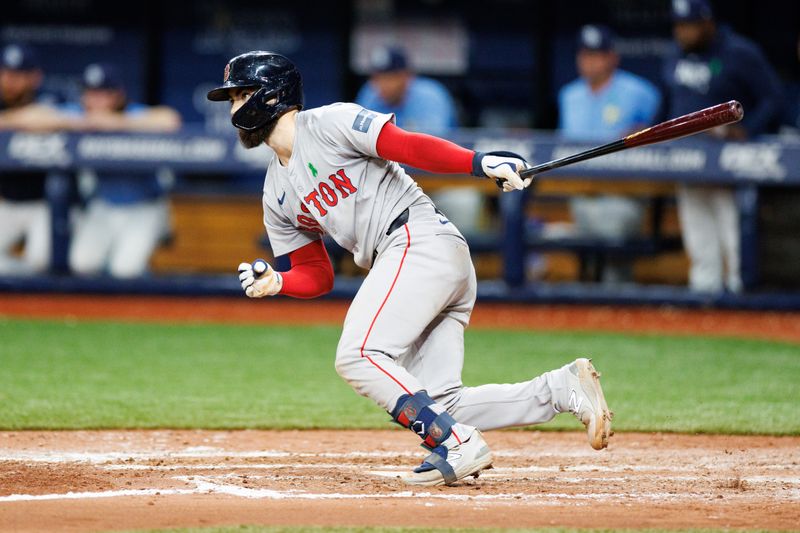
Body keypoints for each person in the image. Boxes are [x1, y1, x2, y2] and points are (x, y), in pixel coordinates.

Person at [207, 51, 612, 486]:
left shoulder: (329, 123)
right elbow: (316, 273)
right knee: (439, 403)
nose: (233, 108)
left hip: (418, 240)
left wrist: (479, 163)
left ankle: (456, 443)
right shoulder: (276, 191)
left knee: (358, 355)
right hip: (413, 259)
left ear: (270, 96)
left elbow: (408, 145)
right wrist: (279, 281)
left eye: (240, 95)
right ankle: (561, 388)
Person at [663, 0, 783, 293]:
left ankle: (740, 297)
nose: (682, 33)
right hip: (688, 157)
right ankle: (705, 301)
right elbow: (670, 102)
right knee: (699, 237)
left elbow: (773, 98)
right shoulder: (674, 55)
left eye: (689, 25)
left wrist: (748, 129)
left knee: (734, 235)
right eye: (679, 26)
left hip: (730, 162)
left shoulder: (739, 52)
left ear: (707, 24)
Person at [558, 24, 662, 283]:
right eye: (585, 54)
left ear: (612, 57)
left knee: (613, 234)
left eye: (597, 55)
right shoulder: (568, 96)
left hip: (624, 195)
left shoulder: (641, 93)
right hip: (581, 194)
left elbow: (660, 147)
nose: (589, 62)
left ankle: (617, 305)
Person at [65, 63, 181, 278]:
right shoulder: (79, 115)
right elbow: (39, 115)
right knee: (82, 264)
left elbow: (169, 119)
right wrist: (80, 123)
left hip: (145, 206)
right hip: (104, 205)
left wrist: (114, 123)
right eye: (90, 94)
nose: (94, 100)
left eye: (101, 94)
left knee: (126, 271)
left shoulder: (134, 113)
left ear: (117, 94)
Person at [356, 45, 482, 235]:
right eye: (378, 77)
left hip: (439, 184)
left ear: (406, 76)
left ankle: (464, 261)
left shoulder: (431, 96)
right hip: (393, 187)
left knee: (465, 201)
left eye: (390, 77)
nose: (383, 84)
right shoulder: (369, 95)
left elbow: (432, 151)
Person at [0, 42, 75, 275]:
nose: (10, 81)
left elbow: (68, 120)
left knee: (40, 262)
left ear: (35, 77)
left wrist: (20, 120)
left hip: (45, 205)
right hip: (6, 202)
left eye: (19, 75)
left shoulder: (54, 98)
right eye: (5, 73)